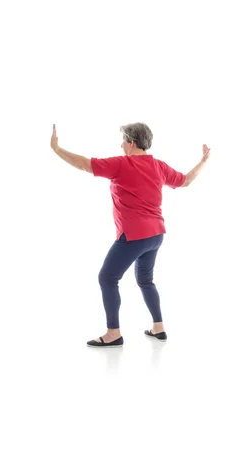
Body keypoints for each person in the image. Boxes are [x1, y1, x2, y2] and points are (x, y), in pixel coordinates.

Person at [50, 123, 210, 347]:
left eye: (123, 141)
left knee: (107, 278)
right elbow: (186, 180)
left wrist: (57, 149)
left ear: (131, 142)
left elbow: (85, 165)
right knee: (145, 280)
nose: (121, 145)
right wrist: (203, 162)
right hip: (156, 235)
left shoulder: (121, 164)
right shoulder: (158, 166)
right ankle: (158, 327)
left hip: (134, 236)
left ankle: (113, 333)